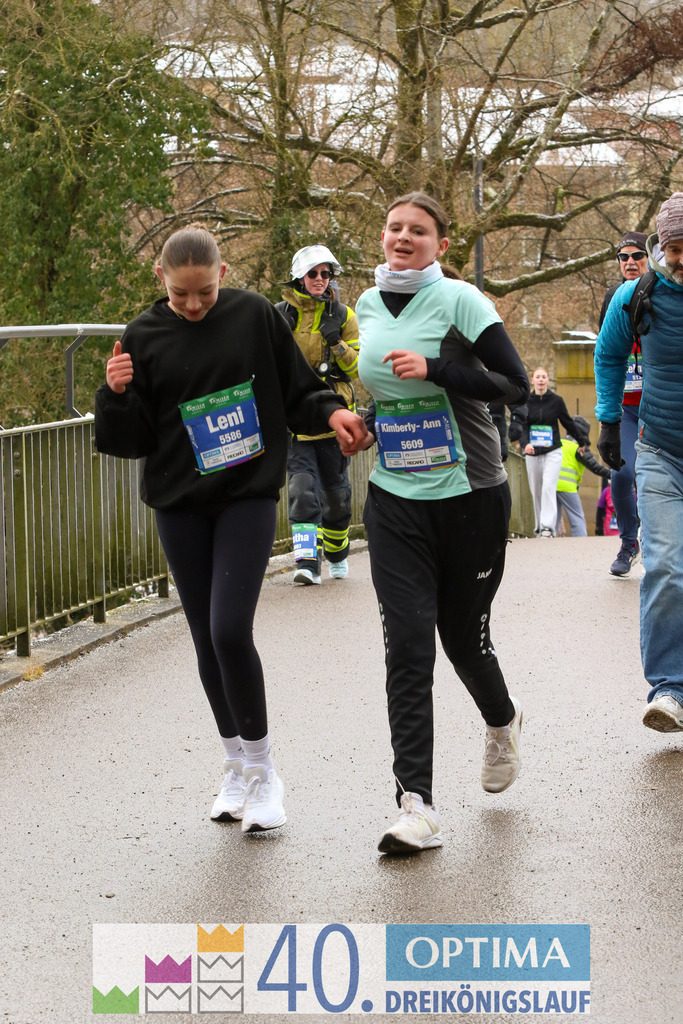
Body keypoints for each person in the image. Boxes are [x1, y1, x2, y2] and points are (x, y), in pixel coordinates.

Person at [94, 224, 366, 833]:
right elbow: (131, 438)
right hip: (179, 503)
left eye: (205, 294)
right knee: (203, 638)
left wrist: (334, 410)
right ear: (161, 279)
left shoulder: (253, 317)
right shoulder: (142, 335)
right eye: (182, 295)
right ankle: (235, 765)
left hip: (244, 493)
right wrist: (113, 394)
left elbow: (299, 390)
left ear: (222, 274)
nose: (194, 306)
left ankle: (266, 772)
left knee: (228, 630)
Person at [345, 191, 530, 854]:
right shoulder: (365, 305)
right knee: (407, 647)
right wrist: (364, 427)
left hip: (470, 495)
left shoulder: (461, 301)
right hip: (394, 498)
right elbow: (387, 393)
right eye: (393, 227)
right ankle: (414, 805)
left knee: (461, 640)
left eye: (416, 231)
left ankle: (501, 722)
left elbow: (513, 384)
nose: (401, 238)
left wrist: (439, 370)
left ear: (440, 244)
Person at [594, 191, 683, 733]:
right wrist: (608, 420)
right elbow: (607, 354)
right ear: (659, 246)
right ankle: (670, 688)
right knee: (669, 566)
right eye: (675, 248)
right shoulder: (636, 294)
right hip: (661, 449)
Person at [276, 245, 360, 585]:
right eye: (313, 274)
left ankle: (338, 555)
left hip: (335, 416)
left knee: (335, 495)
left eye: (326, 274)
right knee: (302, 489)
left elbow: (356, 369)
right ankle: (308, 563)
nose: (320, 280)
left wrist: (337, 344)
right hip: (296, 419)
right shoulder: (280, 315)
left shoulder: (344, 316)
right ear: (299, 276)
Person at [598, 231, 648, 576]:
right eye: (623, 257)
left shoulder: (664, 292)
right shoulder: (613, 297)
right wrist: (608, 419)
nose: (629, 262)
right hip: (628, 407)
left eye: (636, 255)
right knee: (622, 474)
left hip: (660, 403)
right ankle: (630, 542)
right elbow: (606, 355)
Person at [519, 367, 588, 537]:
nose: (541, 380)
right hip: (533, 451)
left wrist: (582, 441)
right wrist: (524, 444)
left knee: (549, 486)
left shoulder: (556, 401)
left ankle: (547, 527)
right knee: (536, 489)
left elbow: (568, 423)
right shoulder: (526, 402)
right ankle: (538, 527)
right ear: (532, 380)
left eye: (544, 377)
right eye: (538, 377)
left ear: (548, 381)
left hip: (553, 451)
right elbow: (522, 426)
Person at [555, 416, 611, 537]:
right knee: (576, 517)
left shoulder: (560, 442)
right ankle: (580, 542)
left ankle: (550, 541)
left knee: (554, 516)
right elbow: (594, 466)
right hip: (567, 486)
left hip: (551, 483)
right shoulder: (579, 447)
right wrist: (612, 474)